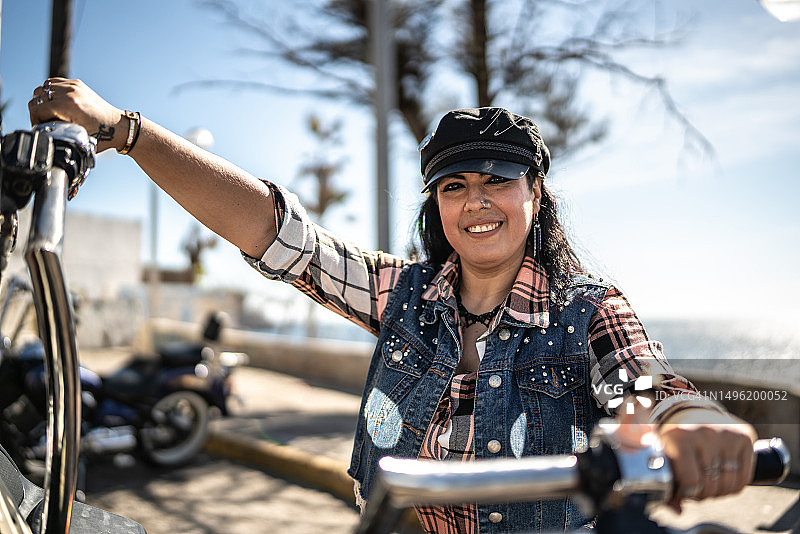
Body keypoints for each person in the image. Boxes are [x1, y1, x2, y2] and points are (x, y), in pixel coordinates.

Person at [30, 79, 757, 532]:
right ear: (436, 205)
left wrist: (692, 421)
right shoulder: (403, 294)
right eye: (454, 186)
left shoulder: (588, 310)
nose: (476, 202)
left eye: (498, 181)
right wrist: (126, 132)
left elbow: (646, 383)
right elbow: (277, 234)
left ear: (536, 195)